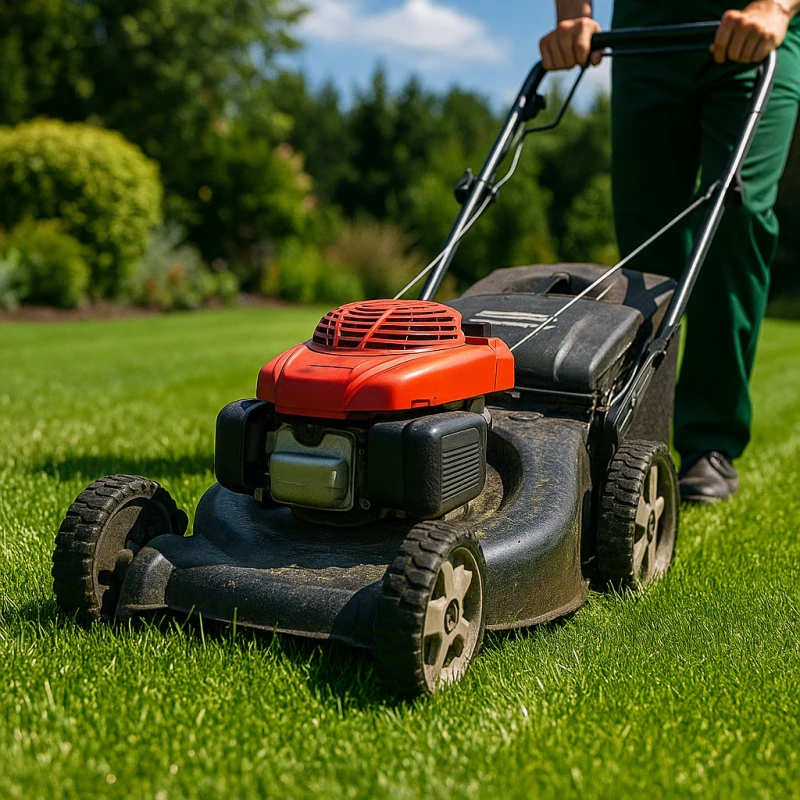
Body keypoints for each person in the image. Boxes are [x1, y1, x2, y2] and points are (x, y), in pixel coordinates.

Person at [540, 1, 800, 502]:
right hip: (649, 31)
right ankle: (639, 427)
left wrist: (775, 6)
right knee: (646, 243)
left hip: (755, 31)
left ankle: (710, 444)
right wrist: (572, 16)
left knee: (735, 214)